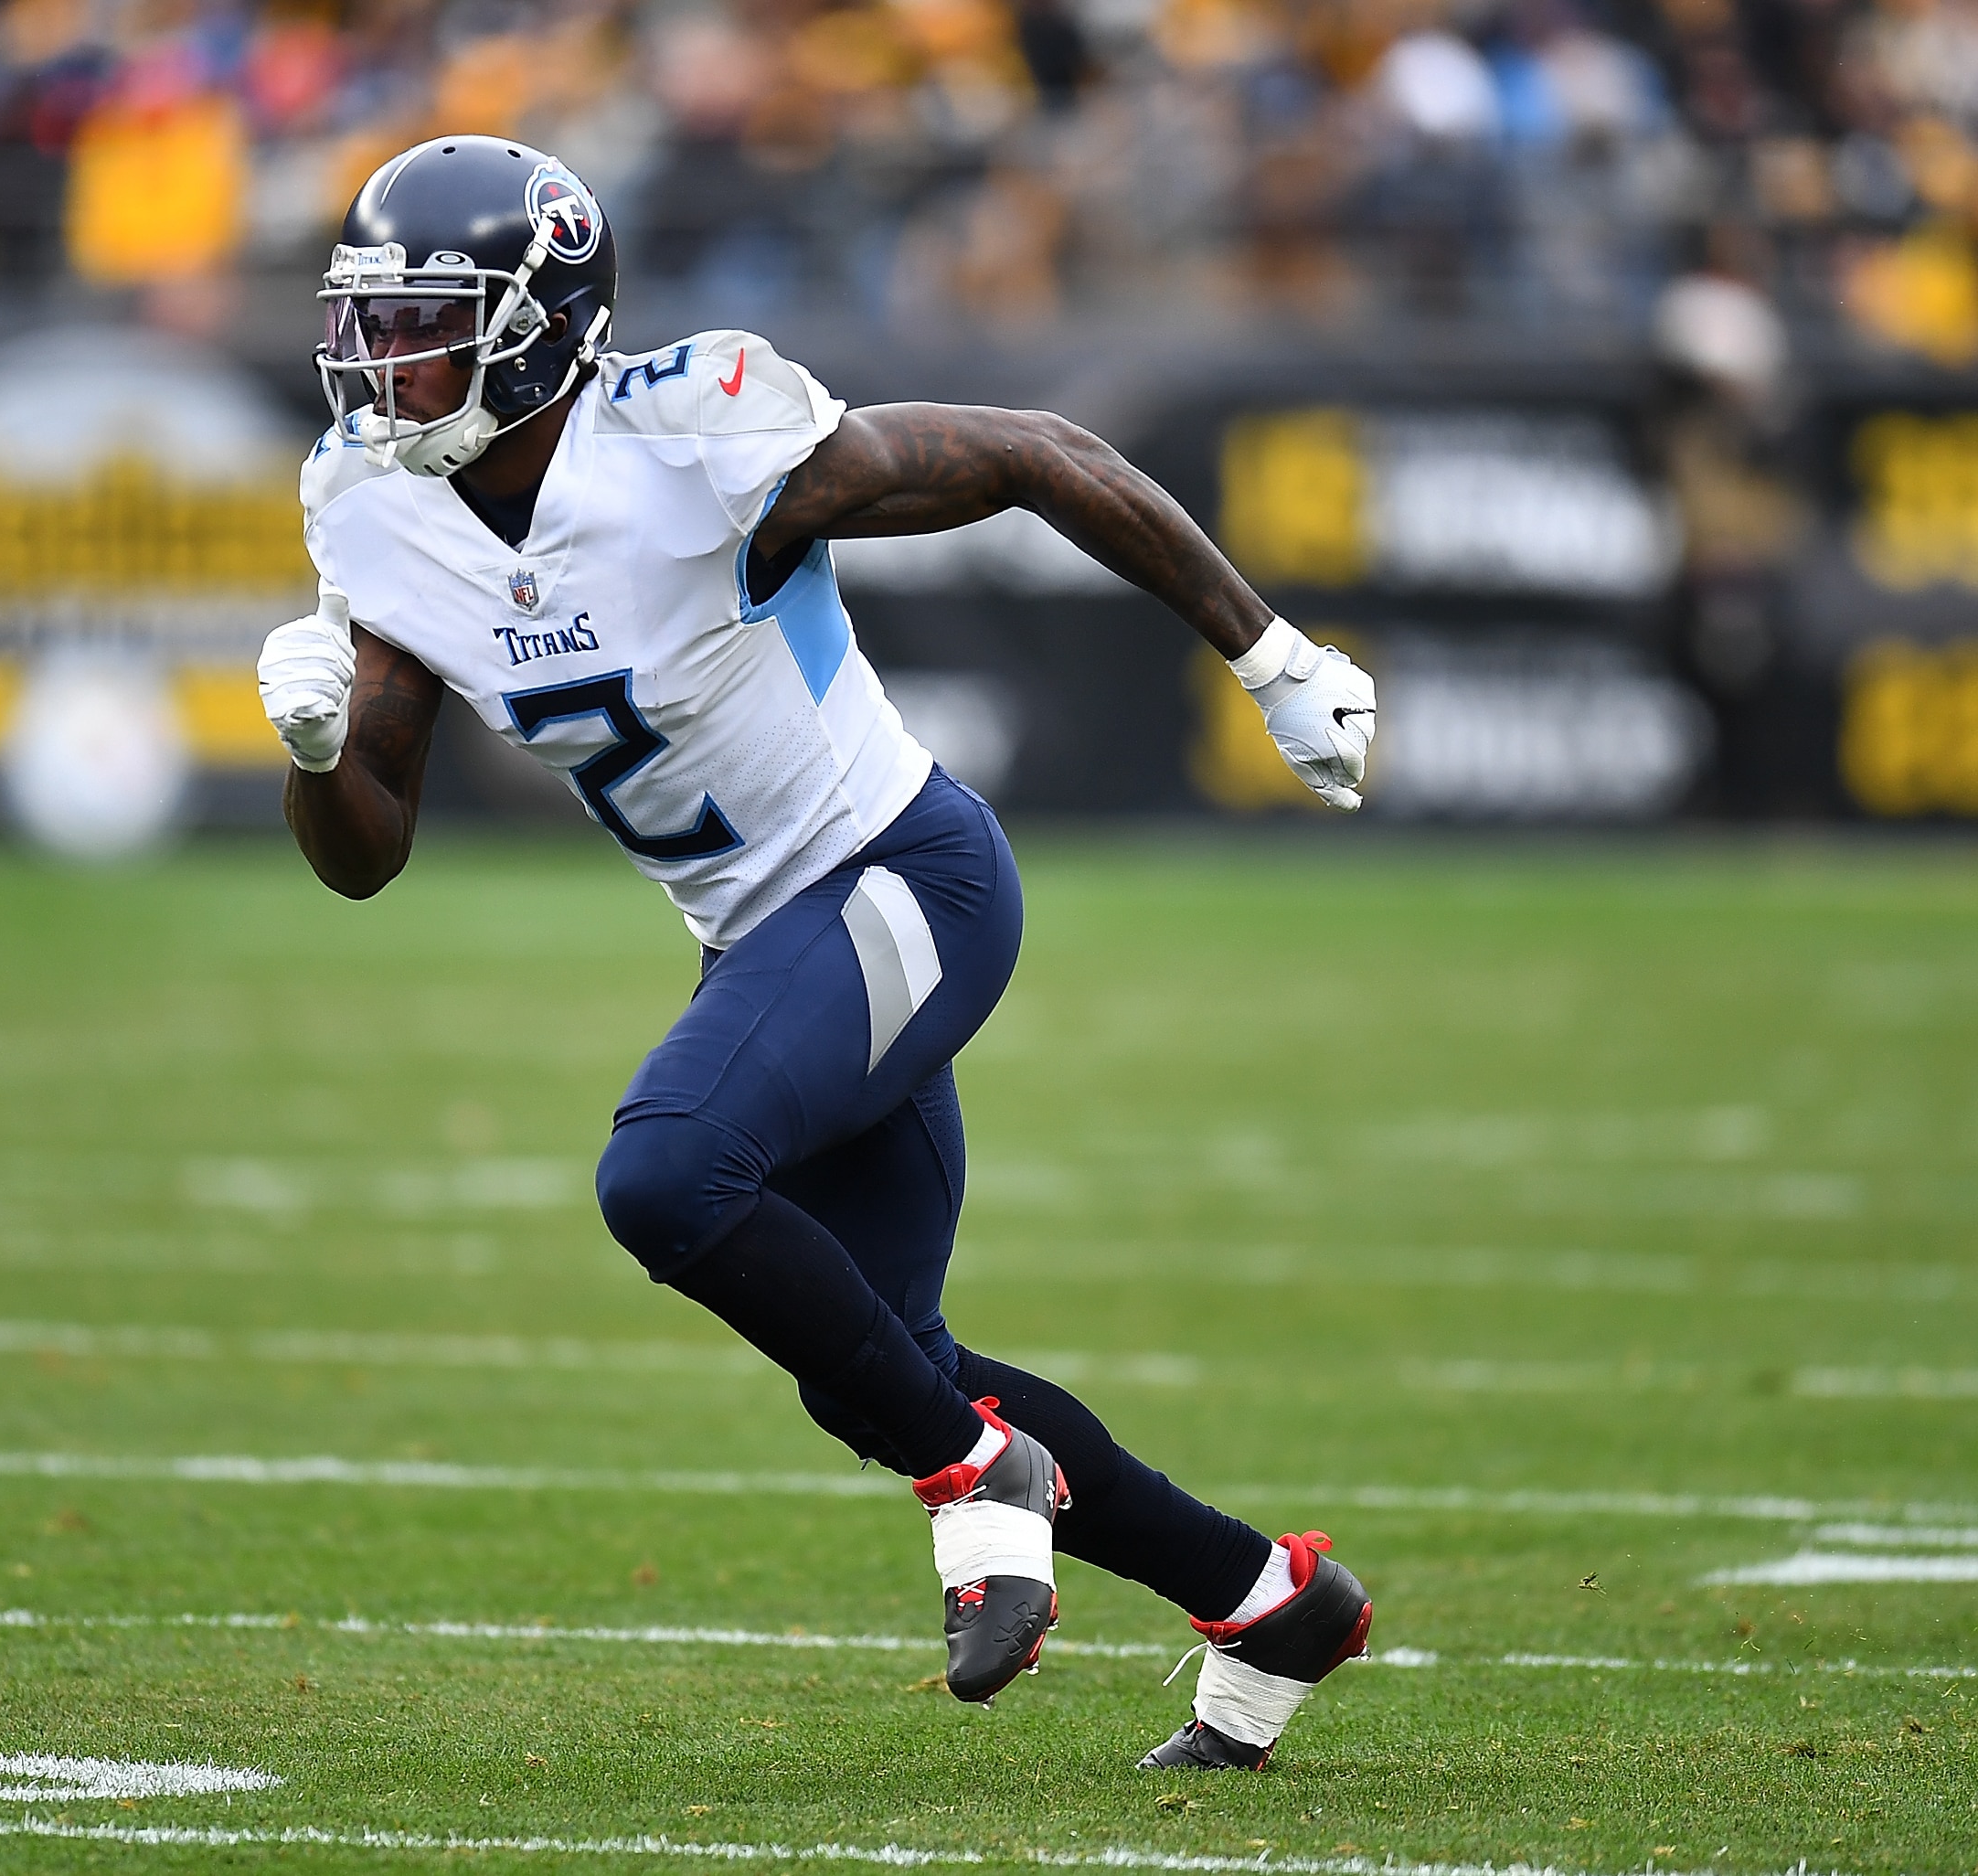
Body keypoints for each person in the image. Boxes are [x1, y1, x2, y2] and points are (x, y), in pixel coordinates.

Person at [257, 135, 1378, 1769]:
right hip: (762, 942)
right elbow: (367, 857)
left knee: (666, 1180)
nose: (378, 361)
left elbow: (1035, 452)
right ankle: (1271, 1604)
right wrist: (308, 751)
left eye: (423, 318)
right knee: (894, 1365)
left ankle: (977, 1480)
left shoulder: (691, 436)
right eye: (366, 320)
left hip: (905, 877)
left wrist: (1269, 655)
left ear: (541, 319)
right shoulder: (377, 507)